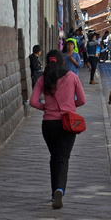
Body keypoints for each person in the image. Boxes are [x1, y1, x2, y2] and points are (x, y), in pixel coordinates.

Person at [29, 49, 86, 209]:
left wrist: (46, 108)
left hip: (48, 124)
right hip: (68, 123)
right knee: (63, 158)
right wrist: (69, 107)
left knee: (54, 156)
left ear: (48, 62)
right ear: (63, 62)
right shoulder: (72, 77)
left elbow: (33, 102)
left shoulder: (43, 79)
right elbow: (82, 100)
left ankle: (54, 192)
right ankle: (59, 189)